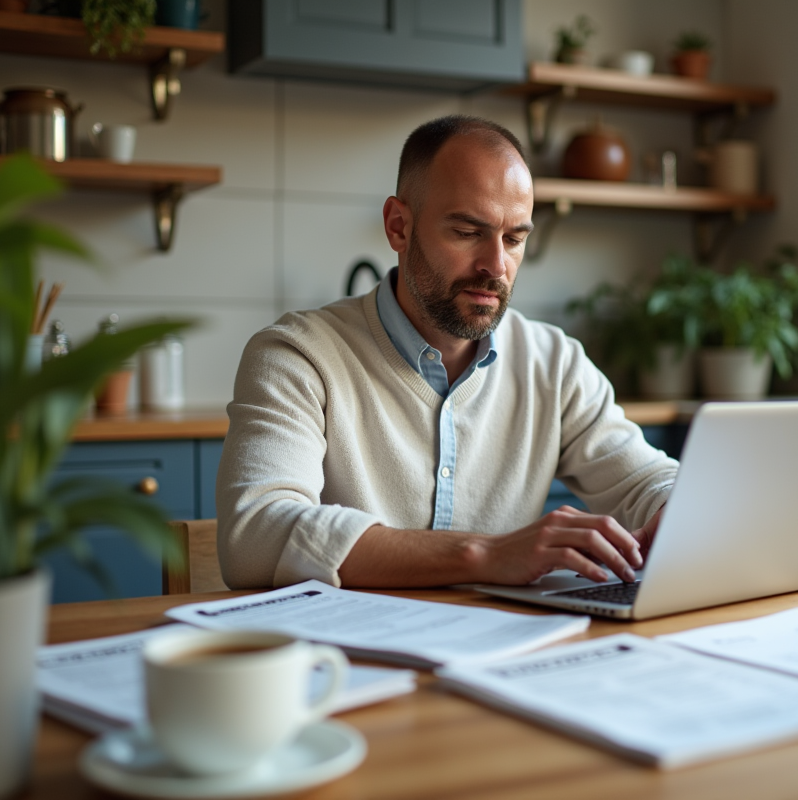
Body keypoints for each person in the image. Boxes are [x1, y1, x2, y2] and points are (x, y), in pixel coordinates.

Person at [217, 115, 677, 590]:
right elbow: (254, 538)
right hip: (348, 658)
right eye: (466, 232)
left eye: (514, 239)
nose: (496, 266)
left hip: (501, 655)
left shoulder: (554, 364)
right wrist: (484, 554)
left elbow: (645, 478)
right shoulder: (297, 357)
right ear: (399, 227)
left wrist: (676, 506)